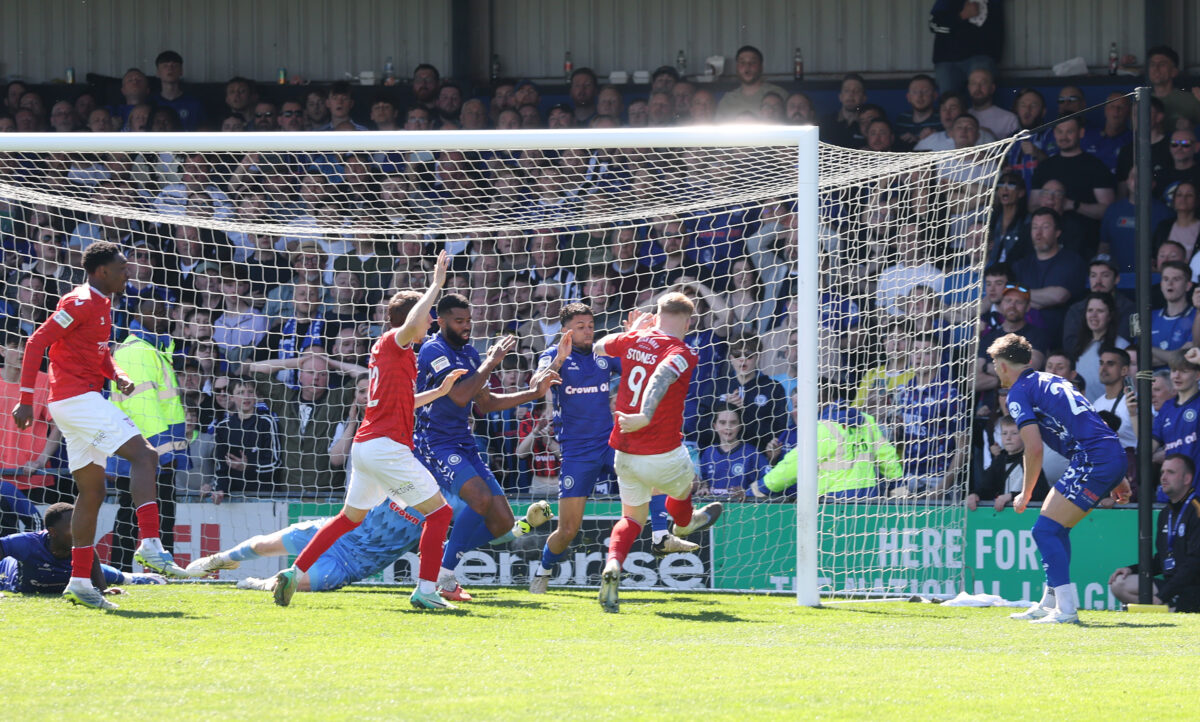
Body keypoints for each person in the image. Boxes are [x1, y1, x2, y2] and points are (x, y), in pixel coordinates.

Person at [274, 253, 465, 610]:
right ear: (413, 318)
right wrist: (436, 284)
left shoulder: (393, 354)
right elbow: (412, 321)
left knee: (349, 519)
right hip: (386, 447)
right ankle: (426, 590)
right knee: (439, 514)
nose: (431, 325)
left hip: (367, 447)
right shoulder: (396, 340)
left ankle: (293, 572)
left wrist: (439, 392)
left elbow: (405, 400)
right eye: (428, 318)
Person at [11, 241, 186, 609]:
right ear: (101, 272)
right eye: (123, 267)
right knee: (145, 456)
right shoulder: (78, 301)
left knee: (92, 493)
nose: (129, 272)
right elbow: (35, 342)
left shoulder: (104, 304)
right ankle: (150, 543)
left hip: (79, 402)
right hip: (77, 400)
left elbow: (100, 352)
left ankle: (80, 582)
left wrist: (117, 374)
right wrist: (26, 399)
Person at [529, 305, 701, 594]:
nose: (587, 330)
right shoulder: (553, 355)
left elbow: (641, 366)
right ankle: (543, 571)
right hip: (577, 453)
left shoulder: (601, 355)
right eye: (580, 326)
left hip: (610, 444)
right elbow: (535, 386)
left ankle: (661, 536)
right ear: (565, 331)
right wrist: (557, 361)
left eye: (590, 325)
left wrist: (638, 338)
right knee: (568, 529)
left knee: (653, 473)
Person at [415, 292, 559, 602]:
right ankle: (444, 574)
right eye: (459, 321)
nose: (466, 326)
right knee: (479, 498)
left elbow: (487, 402)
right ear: (440, 321)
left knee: (503, 524)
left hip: (463, 441)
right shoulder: (433, 350)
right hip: (434, 442)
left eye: (468, 320)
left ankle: (443, 558)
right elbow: (458, 396)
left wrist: (534, 393)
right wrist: (492, 361)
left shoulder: (469, 354)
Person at [592, 294, 723, 613]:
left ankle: (612, 566)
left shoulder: (636, 337)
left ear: (657, 314)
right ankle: (683, 525)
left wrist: (633, 329)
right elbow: (662, 377)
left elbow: (598, 346)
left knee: (630, 518)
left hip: (624, 452)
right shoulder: (683, 351)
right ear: (689, 322)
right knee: (686, 487)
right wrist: (646, 414)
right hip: (663, 451)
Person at [991, 333, 1130, 624]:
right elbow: (1090, 419)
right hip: (1104, 454)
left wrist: (1025, 493)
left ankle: (1066, 610)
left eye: (994, 363)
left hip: (1094, 459)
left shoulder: (1018, 392)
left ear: (1004, 365)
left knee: (1044, 530)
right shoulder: (1052, 380)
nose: (994, 369)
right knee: (1055, 529)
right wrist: (1117, 471)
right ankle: (1051, 601)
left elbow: (1033, 447)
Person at [107, 298, 189, 571]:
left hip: (146, 451)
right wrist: (162, 453)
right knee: (141, 517)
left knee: (139, 516)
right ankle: (128, 572)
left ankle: (134, 571)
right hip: (146, 454)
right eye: (161, 311)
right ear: (140, 316)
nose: (168, 315)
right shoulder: (137, 351)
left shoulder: (151, 349)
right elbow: (143, 409)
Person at [0, 502, 165, 598]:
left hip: (72, 572)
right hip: (12, 577)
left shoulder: (82, 549)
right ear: (52, 532)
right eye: (73, 527)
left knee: (121, 578)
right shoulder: (28, 543)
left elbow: (90, 552)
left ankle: (161, 578)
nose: (80, 531)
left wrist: (103, 589)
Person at [1108, 454, 1200, 612]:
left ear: (1187, 479)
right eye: (1162, 472)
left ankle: (1171, 608)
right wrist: (1131, 569)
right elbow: (1162, 560)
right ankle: (1169, 609)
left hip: (1193, 588)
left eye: (1170, 472)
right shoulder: (1166, 514)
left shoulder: (1197, 510)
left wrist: (1163, 596)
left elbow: (1194, 563)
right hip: (1173, 589)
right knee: (1119, 584)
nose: (1163, 477)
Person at [210, 379, 279, 499]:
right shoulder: (222, 427)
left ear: (256, 396)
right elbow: (221, 468)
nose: (246, 397)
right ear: (231, 397)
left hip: (264, 495)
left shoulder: (267, 422)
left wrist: (247, 466)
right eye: (241, 392)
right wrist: (220, 489)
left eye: (250, 392)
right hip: (233, 497)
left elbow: (275, 463)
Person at [967, 416, 1048, 512]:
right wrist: (975, 495)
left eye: (1014, 433)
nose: (1008, 438)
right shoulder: (999, 461)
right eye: (1004, 433)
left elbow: (1041, 492)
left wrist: (1011, 496)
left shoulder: (1030, 460)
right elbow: (986, 488)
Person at [929, 0, 1003, 95]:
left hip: (982, 56)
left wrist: (995, 57)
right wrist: (962, 15)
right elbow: (933, 25)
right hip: (948, 59)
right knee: (948, 101)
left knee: (982, 99)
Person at [1061, 257, 1134, 351]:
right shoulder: (1076, 310)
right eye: (1093, 275)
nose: (1098, 281)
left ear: (1117, 279)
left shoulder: (1131, 309)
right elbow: (1070, 346)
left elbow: (1131, 341)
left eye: (1105, 275)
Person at [699, 403, 769, 498]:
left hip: (743, 508)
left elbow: (768, 482)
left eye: (733, 422)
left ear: (740, 425)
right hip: (714, 508)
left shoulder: (752, 454)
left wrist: (748, 492)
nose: (728, 427)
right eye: (723, 422)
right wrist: (703, 487)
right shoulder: (708, 453)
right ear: (715, 426)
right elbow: (703, 481)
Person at [714, 46, 787, 122]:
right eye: (742, 63)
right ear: (737, 68)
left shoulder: (779, 94)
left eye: (753, 62)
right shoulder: (727, 100)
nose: (747, 67)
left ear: (761, 67)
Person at [1150, 261, 1195, 369]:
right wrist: (1172, 356)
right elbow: (1136, 358)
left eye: (1176, 279)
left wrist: (1147, 348)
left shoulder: (1197, 317)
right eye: (1165, 279)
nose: (1170, 283)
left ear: (1188, 286)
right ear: (1161, 284)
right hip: (1151, 383)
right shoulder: (1149, 317)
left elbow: (1184, 359)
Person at [1146, 45, 1200, 133]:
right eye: (1152, 64)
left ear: (1174, 72)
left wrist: (1189, 127)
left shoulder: (1190, 100)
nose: (1156, 69)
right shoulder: (1143, 101)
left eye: (1162, 64)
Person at [151, 50, 204, 131]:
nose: (170, 69)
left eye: (174, 66)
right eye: (165, 66)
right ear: (158, 72)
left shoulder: (194, 103)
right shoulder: (151, 103)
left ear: (181, 71)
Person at [966, 68, 1018, 139]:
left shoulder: (1009, 119)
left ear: (992, 88)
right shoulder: (961, 118)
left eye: (983, 83)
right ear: (968, 88)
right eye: (974, 83)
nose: (978, 88)